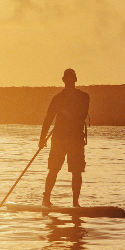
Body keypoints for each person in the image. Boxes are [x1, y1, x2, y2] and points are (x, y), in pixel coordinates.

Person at [39, 68, 90, 208]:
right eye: (66, 78)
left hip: (76, 140)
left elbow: (83, 114)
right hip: (59, 139)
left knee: (77, 171)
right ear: (63, 80)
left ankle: (75, 203)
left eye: (71, 78)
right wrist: (42, 138)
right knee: (54, 169)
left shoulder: (84, 97)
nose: (69, 81)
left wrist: (68, 115)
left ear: (75, 80)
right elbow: (48, 119)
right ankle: (46, 199)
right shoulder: (57, 99)